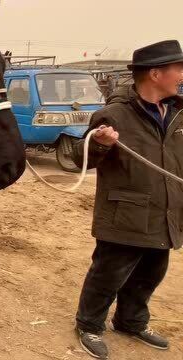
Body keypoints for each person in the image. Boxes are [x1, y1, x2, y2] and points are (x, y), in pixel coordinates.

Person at [71, 40, 183, 359]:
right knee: (108, 274)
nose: (181, 74)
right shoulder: (113, 115)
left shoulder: (180, 114)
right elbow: (81, 157)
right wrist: (102, 144)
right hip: (125, 215)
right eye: (178, 68)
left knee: (151, 273)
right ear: (155, 74)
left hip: (166, 214)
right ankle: (89, 324)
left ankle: (131, 321)